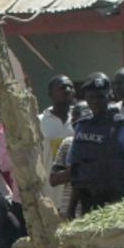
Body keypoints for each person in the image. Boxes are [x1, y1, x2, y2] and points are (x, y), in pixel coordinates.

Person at [68, 73, 124, 216]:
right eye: (91, 97)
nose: (96, 101)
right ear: (86, 99)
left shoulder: (121, 126)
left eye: (100, 96)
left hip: (116, 203)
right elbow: (77, 170)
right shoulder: (81, 126)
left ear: (109, 96)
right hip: (88, 203)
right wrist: (71, 208)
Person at [38, 75, 76, 214]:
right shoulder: (39, 122)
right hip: (48, 193)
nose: (67, 90)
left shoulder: (80, 119)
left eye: (70, 87)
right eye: (61, 87)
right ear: (50, 94)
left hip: (75, 195)